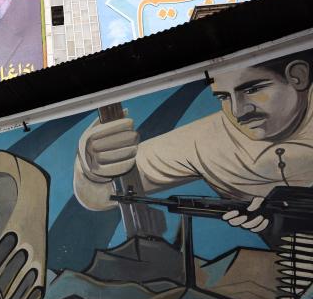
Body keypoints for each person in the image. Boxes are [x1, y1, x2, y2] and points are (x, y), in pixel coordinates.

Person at [74, 49, 313, 242]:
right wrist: (91, 166)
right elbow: (102, 195)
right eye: (223, 97)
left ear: (298, 76)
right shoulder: (204, 142)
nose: (239, 111)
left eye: (252, 90)